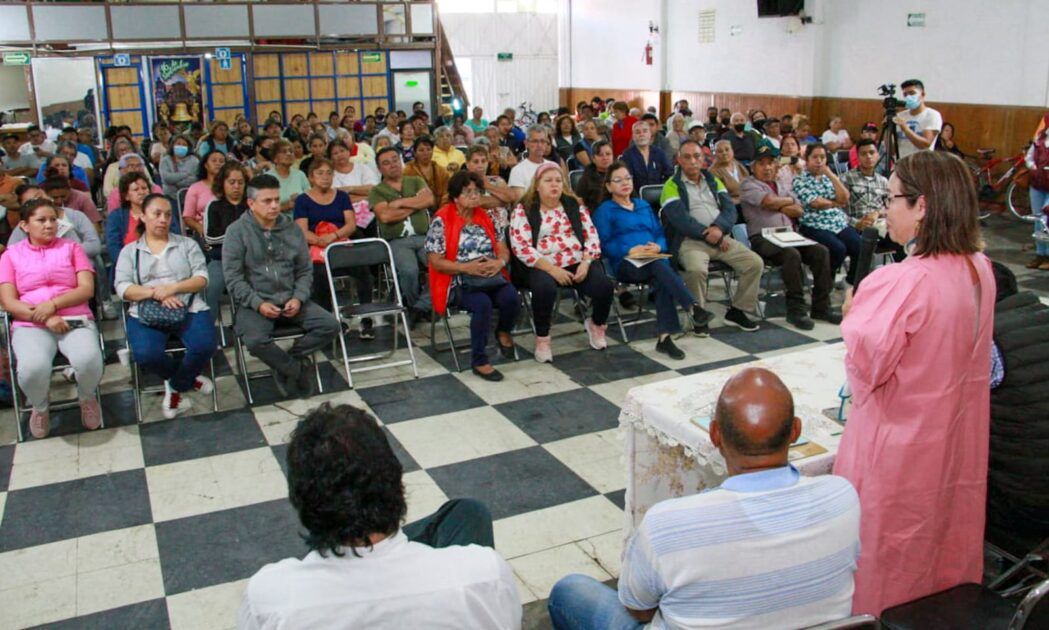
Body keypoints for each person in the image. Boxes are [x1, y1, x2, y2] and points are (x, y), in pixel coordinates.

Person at [549, 367, 861, 630]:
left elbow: (639, 609)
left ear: (714, 436)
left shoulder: (667, 525)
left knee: (569, 592)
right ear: (795, 431)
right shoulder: (843, 499)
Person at [834, 150, 994, 615]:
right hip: (956, 440)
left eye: (891, 199)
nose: (886, 209)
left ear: (922, 206)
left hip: (898, 448)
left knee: (888, 555)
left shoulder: (900, 281)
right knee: (942, 542)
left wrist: (853, 318)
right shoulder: (978, 269)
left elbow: (865, 377)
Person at [237, 403, 521, 629]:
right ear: (397, 482)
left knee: (466, 512)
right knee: (468, 514)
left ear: (300, 500)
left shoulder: (269, 599)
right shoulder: (483, 573)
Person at [223, 174, 341, 398]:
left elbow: (305, 271)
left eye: (277, 199)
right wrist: (258, 304)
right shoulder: (236, 232)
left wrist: (298, 297)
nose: (275, 205)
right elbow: (233, 279)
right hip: (255, 303)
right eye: (267, 201)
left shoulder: (292, 229)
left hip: (291, 298)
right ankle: (295, 369)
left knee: (330, 325)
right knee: (256, 340)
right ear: (251, 203)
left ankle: (288, 360)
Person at [0, 199, 103, 438]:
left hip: (74, 316)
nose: (49, 225)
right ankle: (40, 406)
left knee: (88, 360)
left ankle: (87, 397)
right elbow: (9, 301)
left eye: (53, 220)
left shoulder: (71, 248)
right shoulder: (10, 255)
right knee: (32, 368)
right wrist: (46, 318)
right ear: (25, 226)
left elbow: (86, 289)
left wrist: (53, 305)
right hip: (31, 323)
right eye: (41, 220)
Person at [115, 194, 216, 419]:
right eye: (157, 214)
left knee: (205, 345)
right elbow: (122, 287)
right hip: (146, 308)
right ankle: (188, 379)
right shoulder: (130, 251)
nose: (163, 219)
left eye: (168, 215)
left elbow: (202, 278)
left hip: (186, 304)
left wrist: (173, 288)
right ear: (143, 216)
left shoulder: (186, 244)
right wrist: (156, 294)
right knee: (145, 354)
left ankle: (177, 384)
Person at [594, 163, 702, 360]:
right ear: (609, 186)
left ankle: (665, 338)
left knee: (660, 271)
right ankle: (692, 306)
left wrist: (658, 247)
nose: (625, 183)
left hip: (652, 259)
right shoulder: (605, 210)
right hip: (625, 263)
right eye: (618, 180)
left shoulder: (642, 205)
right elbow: (602, 243)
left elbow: (659, 233)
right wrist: (629, 249)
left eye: (627, 178)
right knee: (660, 267)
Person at [509, 163, 613, 362]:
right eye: (548, 181)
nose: (554, 185)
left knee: (604, 287)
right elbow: (520, 246)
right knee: (544, 289)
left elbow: (592, 236)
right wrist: (552, 269)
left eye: (558, 180)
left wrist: (586, 261)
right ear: (537, 185)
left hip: (576, 260)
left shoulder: (574, 205)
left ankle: (597, 325)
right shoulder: (524, 209)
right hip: (541, 263)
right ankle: (542, 339)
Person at [661, 141, 762, 334]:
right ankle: (698, 316)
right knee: (696, 269)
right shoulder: (671, 185)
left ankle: (738, 310)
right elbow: (680, 220)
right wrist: (710, 235)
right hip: (690, 241)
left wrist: (720, 229)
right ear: (679, 160)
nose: (693, 161)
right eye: (687, 157)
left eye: (697, 156)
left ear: (704, 159)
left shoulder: (714, 180)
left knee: (754, 263)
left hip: (721, 237)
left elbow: (730, 209)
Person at [427, 171, 518, 380]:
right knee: (482, 304)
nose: (475, 196)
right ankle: (480, 360)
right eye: (468, 192)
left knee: (512, 298)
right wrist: (467, 268)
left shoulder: (486, 216)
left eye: (477, 191)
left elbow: (503, 248)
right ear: (456, 196)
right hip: (458, 280)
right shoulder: (442, 219)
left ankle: (503, 331)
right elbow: (435, 261)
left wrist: (499, 262)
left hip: (490, 275)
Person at [740, 145, 835, 330]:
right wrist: (786, 202)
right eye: (761, 164)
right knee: (791, 255)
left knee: (821, 251)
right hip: (762, 237)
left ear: (776, 165)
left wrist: (781, 204)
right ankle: (796, 309)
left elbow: (798, 210)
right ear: (753, 167)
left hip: (789, 235)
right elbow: (767, 201)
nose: (767, 168)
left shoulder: (782, 184)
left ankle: (821, 307)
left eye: (770, 163)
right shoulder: (748, 185)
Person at [293, 157, 375, 339]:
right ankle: (330, 321)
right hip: (316, 249)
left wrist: (334, 236)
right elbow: (301, 230)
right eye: (320, 173)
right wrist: (319, 240)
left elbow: (351, 224)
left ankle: (366, 319)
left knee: (364, 273)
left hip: (340, 244)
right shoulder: (302, 200)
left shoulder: (342, 197)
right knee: (320, 276)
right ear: (311, 177)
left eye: (329, 173)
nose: (325, 177)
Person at [369, 147, 436, 323]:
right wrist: (416, 204)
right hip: (397, 241)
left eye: (395, 159)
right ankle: (416, 305)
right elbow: (385, 216)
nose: (392, 165)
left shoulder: (415, 180)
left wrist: (398, 203)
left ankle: (419, 307)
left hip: (424, 237)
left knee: (440, 266)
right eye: (386, 163)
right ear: (380, 169)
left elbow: (429, 200)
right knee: (409, 271)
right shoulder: (377, 191)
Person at [793, 143, 861, 286]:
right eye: (815, 157)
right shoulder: (799, 179)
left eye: (822, 157)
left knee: (859, 245)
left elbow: (845, 197)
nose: (819, 161)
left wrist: (831, 175)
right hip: (813, 224)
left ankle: (852, 282)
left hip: (837, 222)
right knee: (838, 248)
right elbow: (816, 203)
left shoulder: (829, 177)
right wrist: (836, 203)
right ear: (807, 159)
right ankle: (824, 282)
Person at [106, 172, 182, 271]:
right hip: (130, 267)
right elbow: (113, 247)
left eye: (144, 188)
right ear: (126, 196)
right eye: (136, 189)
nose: (141, 192)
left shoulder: (164, 211)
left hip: (164, 263)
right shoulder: (116, 216)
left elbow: (175, 236)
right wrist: (130, 265)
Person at [202, 161, 250, 316]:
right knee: (210, 286)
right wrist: (237, 235)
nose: (236, 186)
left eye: (240, 182)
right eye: (232, 182)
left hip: (251, 260)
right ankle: (209, 328)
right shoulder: (214, 205)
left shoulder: (252, 205)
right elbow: (210, 237)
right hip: (221, 260)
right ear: (222, 183)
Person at [841, 139, 891, 232]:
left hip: (880, 225)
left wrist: (878, 212)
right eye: (863, 154)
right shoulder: (846, 178)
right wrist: (856, 223)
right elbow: (837, 210)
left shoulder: (884, 181)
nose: (868, 156)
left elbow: (890, 206)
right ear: (858, 157)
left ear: (878, 155)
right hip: (854, 226)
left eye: (872, 153)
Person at [893, 79, 942, 159]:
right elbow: (891, 150)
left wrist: (906, 129)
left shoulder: (932, 115)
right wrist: (887, 129)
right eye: (905, 94)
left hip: (922, 165)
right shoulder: (900, 116)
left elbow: (925, 144)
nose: (908, 97)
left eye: (912, 93)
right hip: (901, 163)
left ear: (922, 94)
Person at [620, 122, 673, 195]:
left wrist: (662, 190)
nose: (641, 134)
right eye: (637, 132)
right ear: (633, 136)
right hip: (636, 198)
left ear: (650, 134)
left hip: (660, 195)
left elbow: (670, 174)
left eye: (645, 131)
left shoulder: (659, 153)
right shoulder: (627, 155)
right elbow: (626, 179)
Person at [181, 150, 225, 236]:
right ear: (206, 165)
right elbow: (188, 217)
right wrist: (199, 228)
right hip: (204, 230)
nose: (218, 164)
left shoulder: (229, 186)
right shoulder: (195, 188)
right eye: (214, 160)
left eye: (221, 161)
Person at [1025, 114, 1049, 270]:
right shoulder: (1039, 139)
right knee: (1038, 220)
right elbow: (1028, 157)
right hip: (1037, 184)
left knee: (1048, 219)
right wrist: (1033, 167)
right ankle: (1040, 254)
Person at [508, 127, 558, 201]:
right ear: (526, 143)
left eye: (543, 141)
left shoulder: (554, 166)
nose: (539, 145)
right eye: (535, 141)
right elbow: (521, 201)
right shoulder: (517, 170)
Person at [329, 139, 380, 204]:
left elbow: (373, 190)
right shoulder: (330, 176)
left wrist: (348, 189)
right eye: (335, 153)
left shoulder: (362, 168)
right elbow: (338, 199)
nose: (340, 155)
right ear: (330, 158)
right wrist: (366, 196)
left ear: (348, 152)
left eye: (342, 151)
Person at [404, 136, 448, 209]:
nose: (426, 153)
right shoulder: (408, 171)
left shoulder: (442, 171)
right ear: (415, 153)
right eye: (421, 150)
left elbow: (446, 194)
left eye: (429, 149)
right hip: (416, 210)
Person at [267, 139, 310, 213]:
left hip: (300, 220)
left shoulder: (300, 175)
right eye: (284, 152)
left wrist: (301, 199)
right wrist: (286, 206)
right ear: (275, 159)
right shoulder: (267, 178)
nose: (289, 154)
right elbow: (263, 208)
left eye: (291, 151)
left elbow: (310, 199)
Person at [573, 140, 615, 215]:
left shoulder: (620, 173)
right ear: (593, 159)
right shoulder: (586, 178)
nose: (605, 158)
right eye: (600, 155)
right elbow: (579, 203)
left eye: (608, 154)